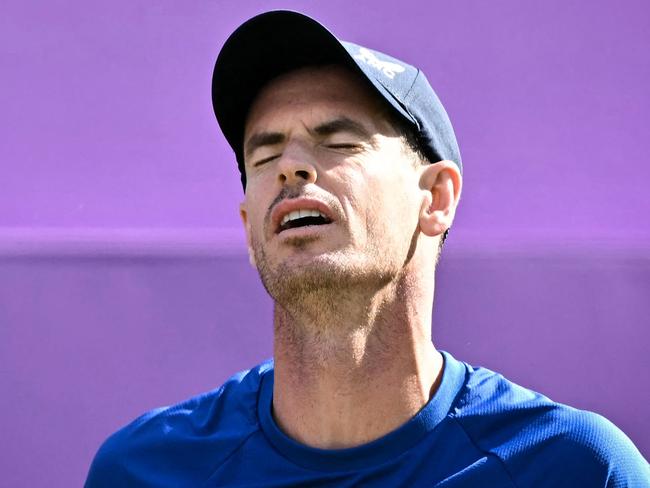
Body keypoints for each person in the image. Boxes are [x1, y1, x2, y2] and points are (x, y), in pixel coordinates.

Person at [85, 10, 649, 487]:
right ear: (248, 227)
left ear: (436, 198)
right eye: (264, 155)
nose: (292, 167)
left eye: (338, 142)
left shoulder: (575, 469)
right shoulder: (143, 470)